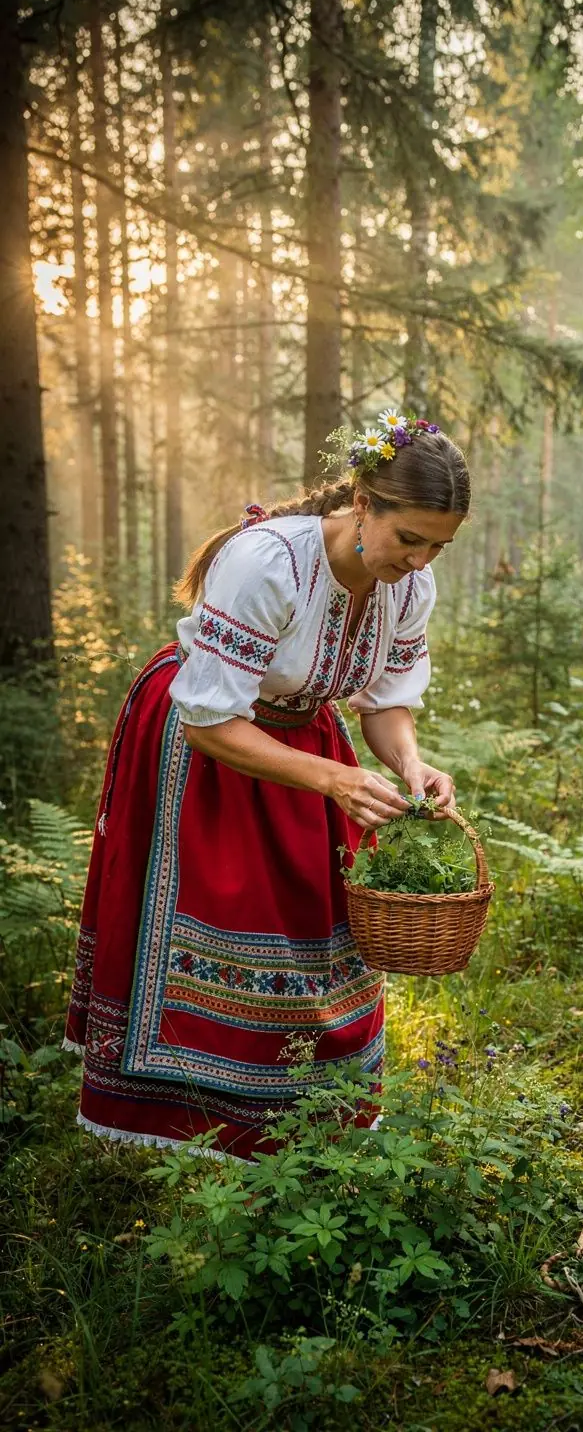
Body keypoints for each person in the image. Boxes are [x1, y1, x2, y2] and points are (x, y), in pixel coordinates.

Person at [63, 411, 468, 1160]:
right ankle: (184, 1124)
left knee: (317, 936)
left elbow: (384, 702)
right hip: (209, 741)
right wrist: (333, 777)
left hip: (306, 741)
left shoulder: (409, 588)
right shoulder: (268, 563)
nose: (419, 560)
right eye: (408, 538)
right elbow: (209, 719)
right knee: (227, 913)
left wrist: (409, 764)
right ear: (363, 503)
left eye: (438, 544)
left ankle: (304, 1124)